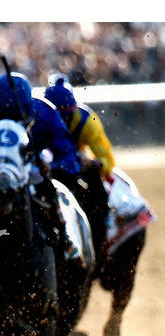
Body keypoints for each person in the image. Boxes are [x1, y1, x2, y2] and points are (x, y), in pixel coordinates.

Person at [0, 71, 84, 259]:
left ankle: (64, 235)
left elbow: (70, 157)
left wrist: (52, 166)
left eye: (15, 116)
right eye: (3, 115)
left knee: (50, 190)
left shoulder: (47, 113)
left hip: (32, 171)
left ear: (28, 109)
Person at [44, 74, 113, 260]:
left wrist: (94, 164)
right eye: (58, 117)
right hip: (48, 168)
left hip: (76, 170)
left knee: (94, 180)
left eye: (66, 116)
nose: (62, 122)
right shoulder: (39, 118)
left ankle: (103, 226)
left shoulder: (86, 120)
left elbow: (107, 160)